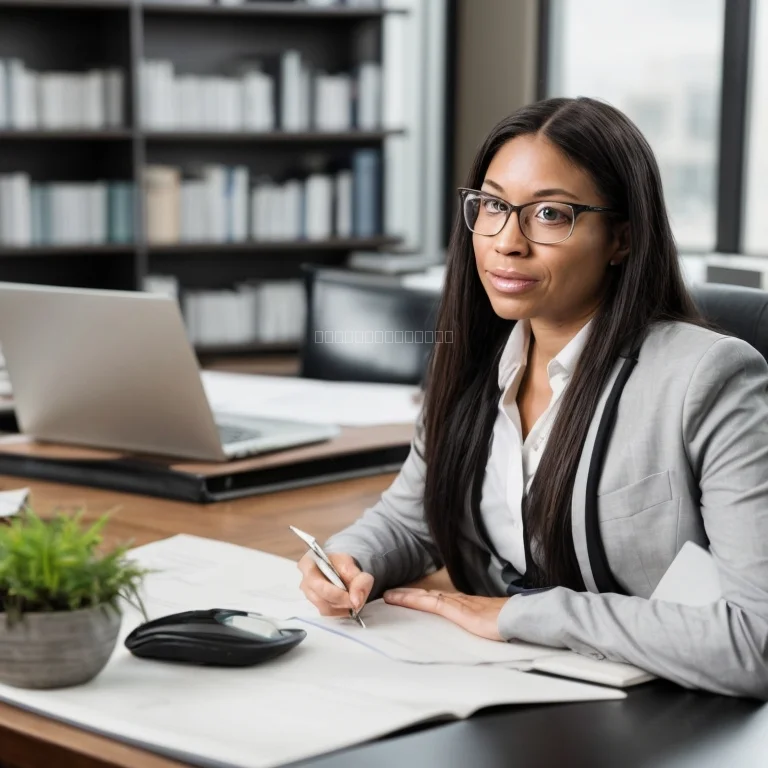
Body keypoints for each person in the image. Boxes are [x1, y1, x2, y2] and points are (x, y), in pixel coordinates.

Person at [297, 96, 768, 700]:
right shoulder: (471, 361)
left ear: (620, 239)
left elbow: (755, 641)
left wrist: (522, 615)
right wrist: (349, 558)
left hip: (662, 710)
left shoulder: (708, 378)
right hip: (496, 688)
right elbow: (411, 521)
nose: (506, 241)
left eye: (549, 214)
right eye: (493, 205)